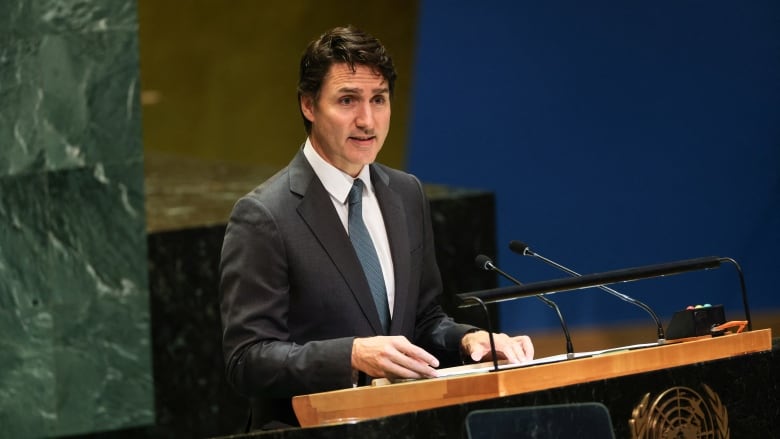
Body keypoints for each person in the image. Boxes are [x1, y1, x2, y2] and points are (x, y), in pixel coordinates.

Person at [219, 25, 534, 431]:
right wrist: (349, 355)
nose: (367, 120)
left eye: (379, 100)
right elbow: (247, 360)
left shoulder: (405, 194)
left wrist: (468, 340)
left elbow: (423, 319)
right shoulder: (263, 215)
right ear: (308, 106)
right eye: (347, 100)